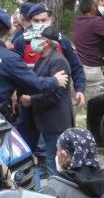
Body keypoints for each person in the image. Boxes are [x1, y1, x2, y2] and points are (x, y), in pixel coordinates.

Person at [17, 25, 73, 177]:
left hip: (56, 122)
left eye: (37, 39)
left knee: (54, 165)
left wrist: (31, 100)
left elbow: (56, 94)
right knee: (51, 162)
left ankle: (56, 197)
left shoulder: (58, 61)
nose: (33, 42)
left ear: (46, 42)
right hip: (45, 121)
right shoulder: (42, 59)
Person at [12, 3, 86, 107]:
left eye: (43, 20)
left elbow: (76, 67)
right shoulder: (21, 42)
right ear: (31, 21)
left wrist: (80, 89)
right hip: (27, 99)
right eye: (36, 21)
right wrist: (13, 92)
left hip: (55, 99)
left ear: (50, 20)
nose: (40, 23)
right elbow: (13, 71)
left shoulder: (62, 41)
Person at [0, 9, 68, 116]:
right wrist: (55, 81)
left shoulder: (58, 57)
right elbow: (33, 83)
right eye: (36, 20)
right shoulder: (10, 58)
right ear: (8, 30)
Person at [71, 0, 104, 100]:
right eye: (97, 4)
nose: (99, 6)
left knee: (74, 102)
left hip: (77, 67)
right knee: (102, 100)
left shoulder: (77, 21)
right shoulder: (96, 21)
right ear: (93, 7)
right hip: (91, 69)